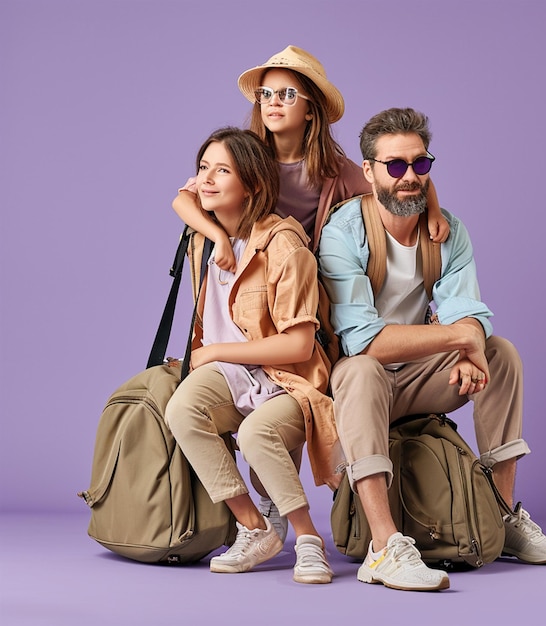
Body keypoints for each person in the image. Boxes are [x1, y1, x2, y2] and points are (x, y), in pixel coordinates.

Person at [171, 45, 451, 542]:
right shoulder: (240, 156)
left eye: (286, 93)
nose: (273, 102)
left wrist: (431, 205)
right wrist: (216, 237)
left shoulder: (337, 171)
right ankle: (268, 514)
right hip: (252, 290)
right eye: (265, 94)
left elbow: (395, 179)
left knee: (291, 405)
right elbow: (185, 197)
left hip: (309, 293)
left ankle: (324, 518)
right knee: (231, 407)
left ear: (311, 108)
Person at [318, 107, 546, 592]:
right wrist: (461, 337)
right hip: (356, 394)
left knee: (502, 353)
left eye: (420, 164)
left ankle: (500, 518)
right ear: (368, 171)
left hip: (421, 379)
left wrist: (471, 343)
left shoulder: (448, 231)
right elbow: (365, 340)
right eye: (394, 165)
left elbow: (469, 311)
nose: (409, 177)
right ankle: (383, 548)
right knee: (361, 369)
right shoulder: (343, 233)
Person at [164, 127, 335, 584]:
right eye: (203, 168)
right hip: (229, 373)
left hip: (286, 377)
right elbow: (182, 199)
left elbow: (299, 345)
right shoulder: (204, 237)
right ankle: (254, 527)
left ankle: (307, 540)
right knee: (182, 408)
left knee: (260, 432)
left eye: (223, 170)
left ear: (253, 184)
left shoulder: (284, 245)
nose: (207, 179)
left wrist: (216, 349)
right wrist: (218, 238)